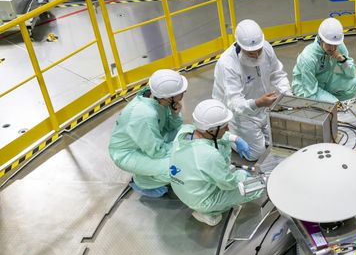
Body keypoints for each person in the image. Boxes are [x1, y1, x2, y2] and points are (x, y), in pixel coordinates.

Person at [169, 100, 262, 226]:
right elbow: (228, 184)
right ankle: (208, 211)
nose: (228, 128)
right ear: (211, 130)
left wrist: (234, 138)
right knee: (251, 187)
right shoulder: (208, 155)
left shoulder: (185, 130)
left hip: (185, 191)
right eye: (225, 126)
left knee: (222, 147)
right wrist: (243, 177)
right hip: (202, 200)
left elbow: (216, 136)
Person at [213, 19, 291, 161]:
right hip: (241, 115)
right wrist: (258, 103)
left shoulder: (266, 48)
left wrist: (288, 95)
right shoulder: (228, 64)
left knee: (279, 142)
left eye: (258, 51)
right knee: (256, 154)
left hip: (264, 107)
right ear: (240, 46)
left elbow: (277, 74)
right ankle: (226, 137)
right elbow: (235, 103)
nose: (256, 56)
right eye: (251, 53)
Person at [109, 69, 187, 197]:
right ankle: (142, 182)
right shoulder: (144, 115)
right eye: (181, 93)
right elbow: (157, 152)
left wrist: (174, 114)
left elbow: (170, 127)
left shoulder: (156, 97)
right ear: (169, 97)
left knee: (182, 133)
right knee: (177, 169)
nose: (183, 94)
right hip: (128, 154)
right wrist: (182, 150)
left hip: (146, 143)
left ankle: (149, 170)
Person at [292, 17, 356, 102]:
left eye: (335, 45)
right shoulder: (308, 57)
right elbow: (310, 93)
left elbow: (352, 74)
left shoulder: (337, 45)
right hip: (306, 88)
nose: (333, 48)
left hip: (326, 80)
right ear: (321, 39)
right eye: (329, 44)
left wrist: (342, 60)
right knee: (334, 103)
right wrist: (333, 101)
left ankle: (334, 103)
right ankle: (331, 104)